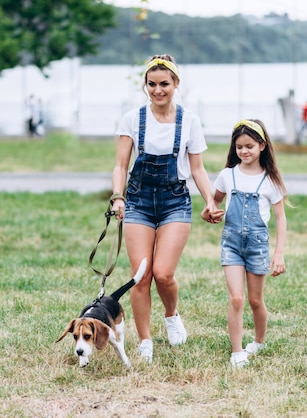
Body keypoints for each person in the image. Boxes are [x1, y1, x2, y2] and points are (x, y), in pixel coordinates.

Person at [110, 54, 219, 363]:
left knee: (163, 273)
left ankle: (171, 315)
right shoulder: (133, 119)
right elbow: (120, 165)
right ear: (146, 85)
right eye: (152, 84)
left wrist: (210, 201)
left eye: (164, 84)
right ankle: (145, 340)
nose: (158, 90)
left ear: (176, 84)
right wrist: (118, 197)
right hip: (139, 201)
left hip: (175, 202)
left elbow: (197, 169)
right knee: (140, 276)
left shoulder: (190, 121)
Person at [201, 119, 288, 368]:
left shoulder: (270, 181)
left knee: (255, 301)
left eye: (249, 146)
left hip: (258, 246)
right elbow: (213, 204)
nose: (243, 151)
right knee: (236, 298)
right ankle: (237, 352)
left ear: (262, 146)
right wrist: (210, 213)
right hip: (231, 245)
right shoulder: (227, 175)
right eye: (239, 147)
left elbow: (281, 218)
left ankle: (259, 341)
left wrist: (278, 253)